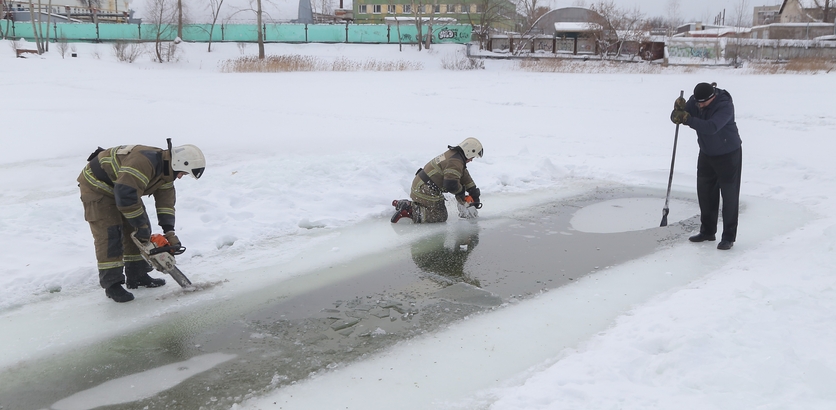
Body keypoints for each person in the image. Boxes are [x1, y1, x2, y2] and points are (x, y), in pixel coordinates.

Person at [78, 142, 206, 302]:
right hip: (98, 186)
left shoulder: (167, 172)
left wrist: (169, 232)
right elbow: (126, 194)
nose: (180, 177)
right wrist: (141, 226)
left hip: (124, 188)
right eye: (182, 173)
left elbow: (166, 204)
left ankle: (137, 275)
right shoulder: (144, 162)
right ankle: (112, 284)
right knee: (110, 234)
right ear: (178, 163)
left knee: (138, 230)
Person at [670, 82, 742, 250]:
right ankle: (708, 231)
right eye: (697, 102)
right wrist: (677, 112)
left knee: (729, 196)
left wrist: (687, 119)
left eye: (703, 103)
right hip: (707, 153)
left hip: (728, 154)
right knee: (705, 193)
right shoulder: (696, 101)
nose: (699, 105)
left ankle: (728, 237)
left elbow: (712, 127)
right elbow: (678, 116)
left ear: (713, 97)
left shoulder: (724, 105)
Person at [391, 137, 483, 224]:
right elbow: (451, 185)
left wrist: (473, 190)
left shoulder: (454, 156)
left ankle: (404, 204)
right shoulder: (455, 161)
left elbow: (462, 174)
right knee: (440, 216)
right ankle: (410, 210)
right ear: (469, 152)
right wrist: (462, 195)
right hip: (425, 189)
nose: (471, 160)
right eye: (473, 157)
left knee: (438, 209)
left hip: (422, 184)